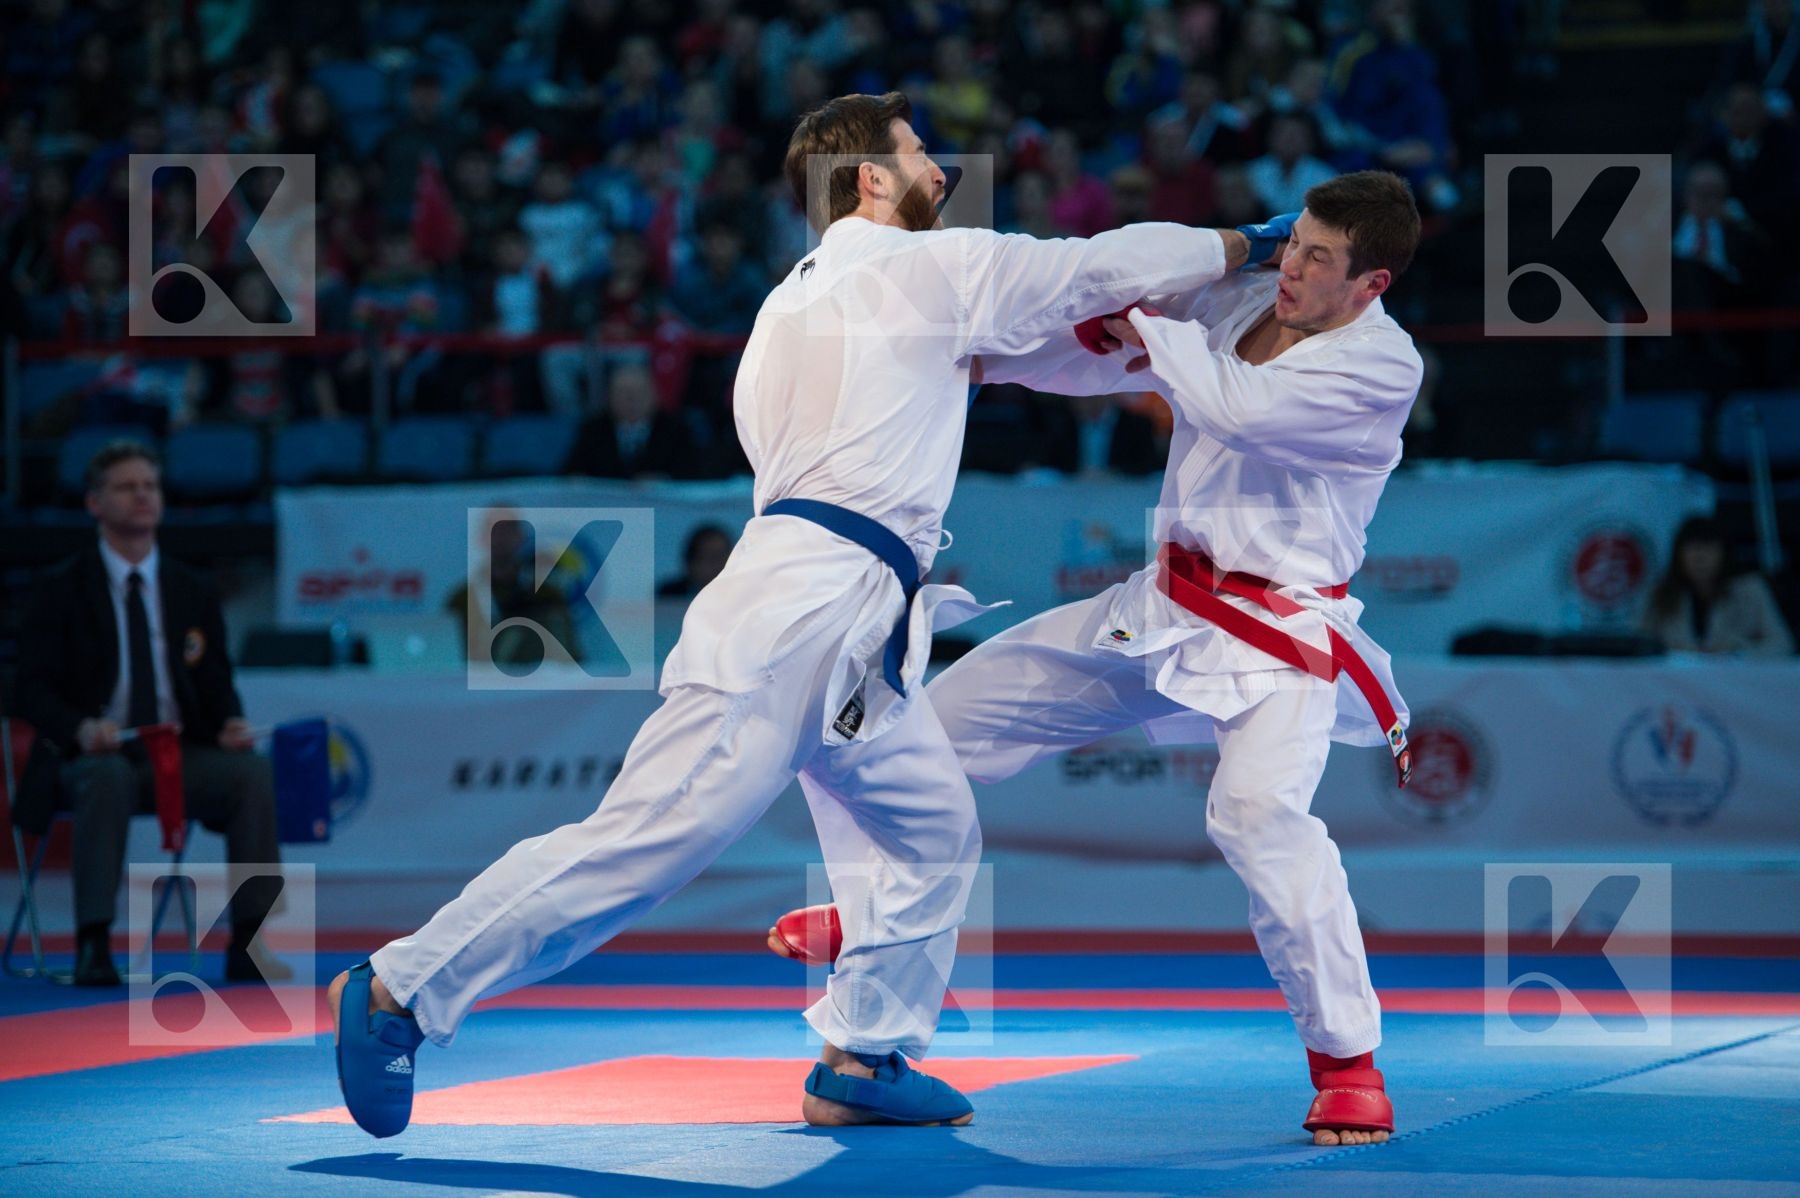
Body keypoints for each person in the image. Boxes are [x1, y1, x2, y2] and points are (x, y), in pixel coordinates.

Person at [327, 90, 1259, 1139]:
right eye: (919, 157)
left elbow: (1042, 350)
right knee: (649, 841)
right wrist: (1241, 244)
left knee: (932, 829)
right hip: (802, 602)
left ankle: (864, 1051)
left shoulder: (792, 309)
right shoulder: (922, 269)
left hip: (846, 620)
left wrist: (1173, 345)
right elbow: (1092, 270)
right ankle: (401, 987)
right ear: (868, 178)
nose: (942, 176)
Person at [770, 171, 1425, 1148]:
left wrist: (1155, 323)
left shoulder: (1381, 363)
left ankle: (1347, 1064)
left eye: (1320, 260)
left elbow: (1233, 404)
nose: (1292, 268)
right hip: (1163, 604)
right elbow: (1102, 356)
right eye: (1293, 244)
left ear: (1370, 283)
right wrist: (983, 360)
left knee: (1257, 817)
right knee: (918, 735)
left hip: (1282, 638)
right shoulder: (1248, 297)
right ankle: (875, 923)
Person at [14, 441, 286, 987]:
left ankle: (250, 942)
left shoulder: (190, 587)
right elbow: (26, 690)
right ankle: (94, 943)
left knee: (250, 774)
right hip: (90, 756)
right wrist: (80, 728)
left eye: (150, 486)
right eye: (126, 486)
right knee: (107, 776)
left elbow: (214, 681)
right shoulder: (61, 586)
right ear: (94, 503)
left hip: (175, 754)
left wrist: (228, 724)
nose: (143, 496)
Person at [1642, 516, 1794, 655]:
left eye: (1709, 549)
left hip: (1733, 679)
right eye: (1692, 549)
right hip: (1673, 679)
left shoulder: (1751, 589)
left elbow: (1783, 644)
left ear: (1725, 554)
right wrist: (1669, 650)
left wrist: (1737, 650)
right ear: (1678, 555)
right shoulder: (1659, 592)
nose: (1699, 557)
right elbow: (1637, 642)